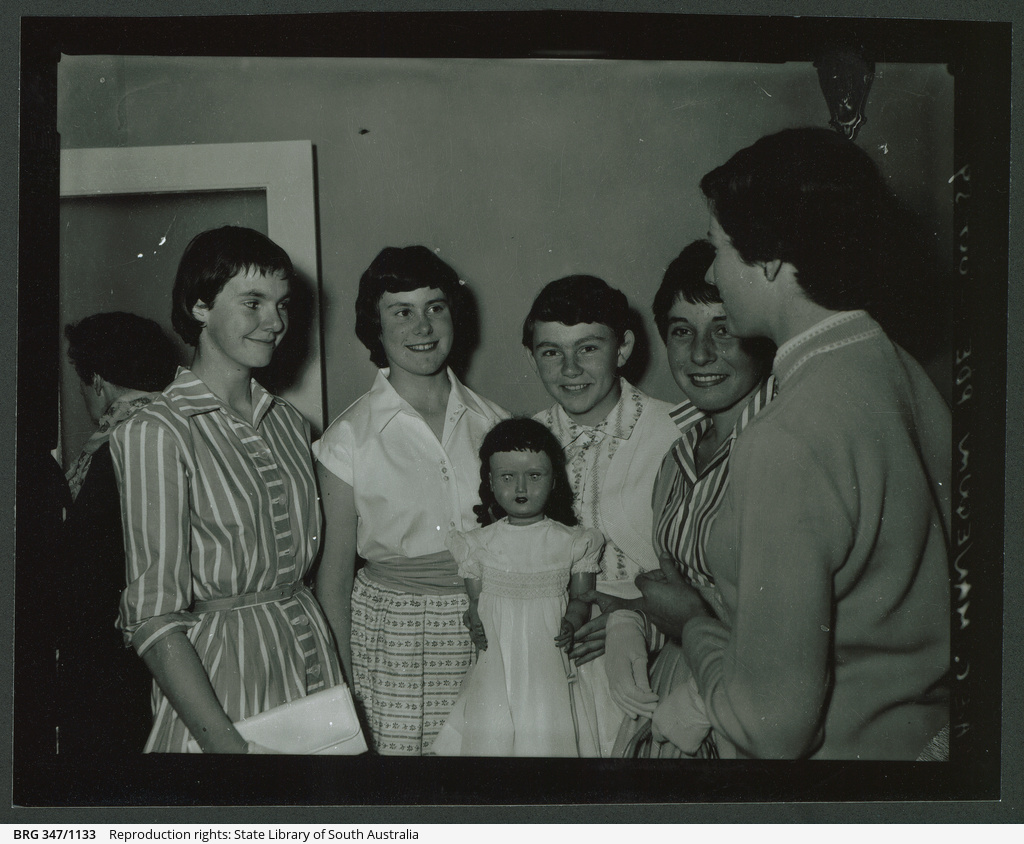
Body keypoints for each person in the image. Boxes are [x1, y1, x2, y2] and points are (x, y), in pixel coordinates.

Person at [639, 127, 951, 759]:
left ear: (771, 259)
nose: (711, 270)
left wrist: (692, 624)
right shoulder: (897, 366)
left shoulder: (782, 438)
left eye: (717, 247)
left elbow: (771, 727)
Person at [111, 226, 345, 753]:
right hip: (222, 681)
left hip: (309, 663)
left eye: (282, 305)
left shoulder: (289, 423)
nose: (275, 322)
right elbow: (152, 617)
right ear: (199, 307)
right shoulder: (157, 430)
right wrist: (227, 747)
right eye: (253, 303)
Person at [315, 245, 507, 755]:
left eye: (435, 308)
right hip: (391, 645)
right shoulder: (347, 439)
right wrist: (343, 688)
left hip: (490, 630)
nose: (423, 327)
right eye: (401, 312)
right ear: (375, 329)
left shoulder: (496, 424)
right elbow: (333, 577)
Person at [601, 240, 776, 757]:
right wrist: (632, 620)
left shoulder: (783, 445)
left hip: (747, 706)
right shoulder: (678, 454)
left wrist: (702, 701)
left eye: (724, 329)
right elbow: (682, 593)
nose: (700, 354)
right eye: (682, 331)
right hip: (680, 682)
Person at [523, 275, 680, 756]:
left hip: (655, 659)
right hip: (550, 666)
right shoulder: (522, 442)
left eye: (588, 348)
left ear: (623, 347)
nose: (570, 369)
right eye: (551, 352)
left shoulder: (676, 432)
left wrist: (635, 619)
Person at [430, 418, 605, 756]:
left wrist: (572, 621)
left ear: (554, 480)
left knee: (546, 733)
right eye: (507, 477)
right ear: (490, 482)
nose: (521, 487)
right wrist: (474, 619)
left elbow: (582, 597)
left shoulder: (572, 541)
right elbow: (475, 601)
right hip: (498, 658)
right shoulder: (477, 543)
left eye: (534, 476)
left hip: (547, 658)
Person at [59, 312, 179, 754]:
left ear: (97, 382)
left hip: (122, 660)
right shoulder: (177, 427)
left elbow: (85, 582)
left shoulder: (115, 448)